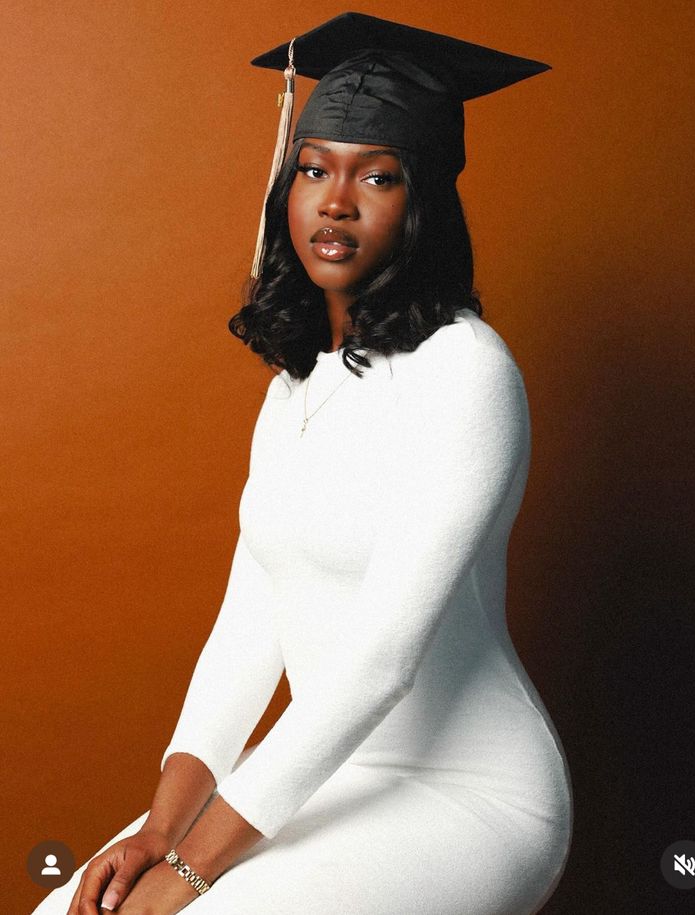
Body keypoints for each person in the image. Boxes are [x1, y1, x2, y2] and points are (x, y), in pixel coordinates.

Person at [34, 12, 573, 915]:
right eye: (316, 167)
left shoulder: (466, 373)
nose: (336, 200)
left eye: (378, 176)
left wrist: (196, 871)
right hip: (328, 775)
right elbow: (250, 627)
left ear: (423, 201)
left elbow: (380, 658)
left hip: (467, 792)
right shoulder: (295, 390)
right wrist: (163, 829)